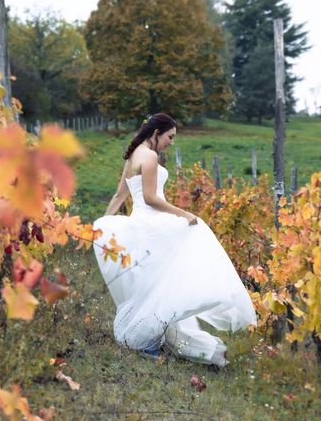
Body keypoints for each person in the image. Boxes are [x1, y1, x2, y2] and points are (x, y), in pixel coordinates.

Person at [93, 113, 257, 365]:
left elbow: (118, 195)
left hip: (142, 223)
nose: (171, 142)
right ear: (157, 132)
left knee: (155, 283)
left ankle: (154, 334)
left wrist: (102, 226)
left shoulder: (134, 153)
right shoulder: (148, 156)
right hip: (152, 222)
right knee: (195, 234)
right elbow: (150, 198)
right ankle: (199, 303)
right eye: (170, 136)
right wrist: (184, 213)